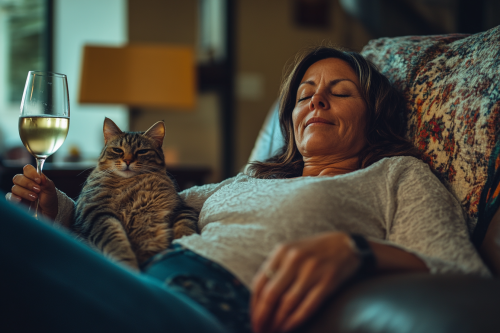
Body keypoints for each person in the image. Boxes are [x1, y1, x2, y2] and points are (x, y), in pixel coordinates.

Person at [4, 46, 490, 333]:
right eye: (305, 95)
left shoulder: (396, 175)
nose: (317, 99)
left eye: (339, 92)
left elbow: (462, 274)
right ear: (293, 120)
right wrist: (58, 209)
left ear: (375, 115)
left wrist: (358, 251)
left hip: (209, 306)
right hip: (142, 282)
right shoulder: (252, 178)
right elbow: (136, 215)